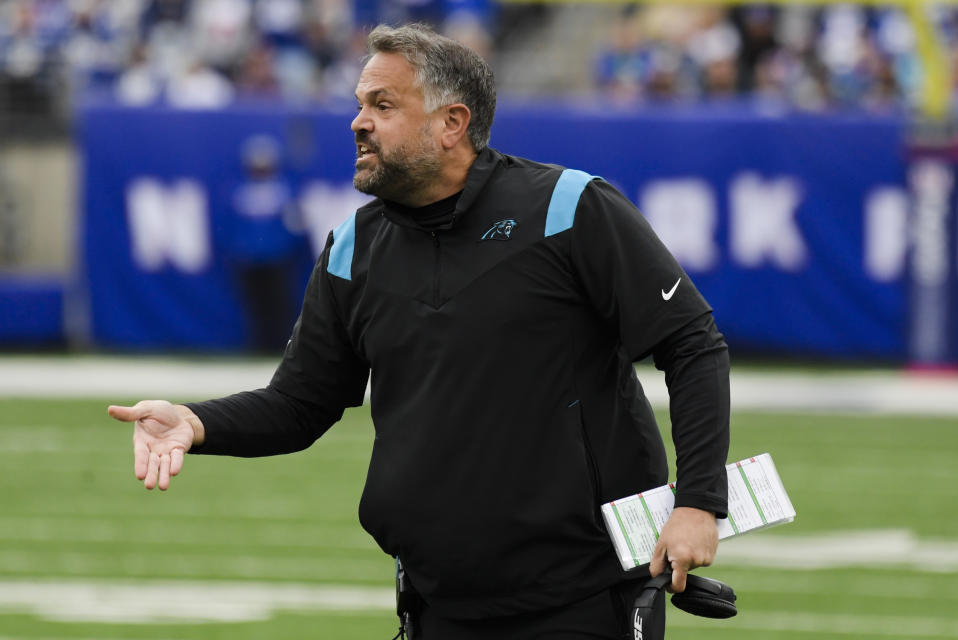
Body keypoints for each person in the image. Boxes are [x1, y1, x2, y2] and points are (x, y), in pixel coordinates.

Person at [108, 23, 730, 639]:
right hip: (436, 602)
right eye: (359, 104)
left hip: (581, 598)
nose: (358, 122)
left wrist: (699, 502)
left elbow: (692, 343)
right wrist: (197, 423)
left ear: (451, 123)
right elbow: (300, 403)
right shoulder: (354, 246)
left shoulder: (570, 208)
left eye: (382, 104)